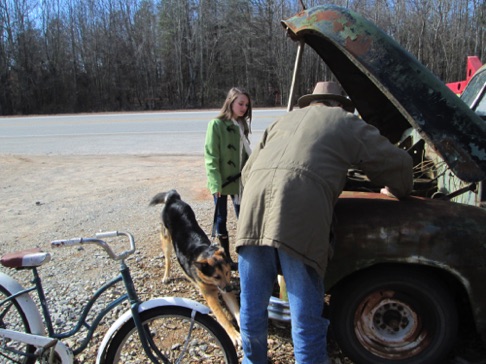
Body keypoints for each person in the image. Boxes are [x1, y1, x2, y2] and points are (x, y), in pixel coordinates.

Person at [235, 81, 413, 363]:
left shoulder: (283, 121)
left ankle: (252, 360)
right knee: (305, 314)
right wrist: (399, 189)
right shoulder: (344, 121)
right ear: (339, 104)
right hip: (299, 214)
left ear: (312, 102)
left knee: (252, 305)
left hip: (252, 212)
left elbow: (246, 173)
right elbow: (398, 164)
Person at [204, 87, 252, 270]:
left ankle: (246, 258)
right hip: (222, 182)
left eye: (246, 105)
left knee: (245, 217)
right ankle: (225, 258)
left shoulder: (242, 125)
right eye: (240, 103)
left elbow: (245, 154)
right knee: (221, 219)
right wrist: (215, 183)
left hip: (240, 182)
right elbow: (211, 157)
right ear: (230, 102)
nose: (244, 108)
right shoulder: (216, 125)